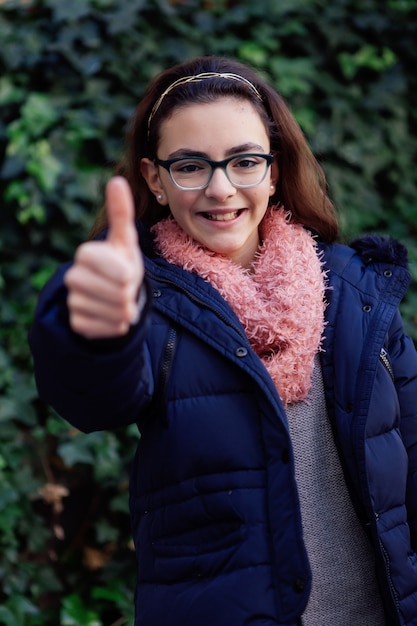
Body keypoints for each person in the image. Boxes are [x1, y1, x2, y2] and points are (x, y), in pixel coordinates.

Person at [29, 55, 417, 626]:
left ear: (274, 169)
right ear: (154, 180)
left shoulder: (356, 290)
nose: (220, 188)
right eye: (189, 165)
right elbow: (93, 397)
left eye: (244, 161)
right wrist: (97, 331)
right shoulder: (148, 302)